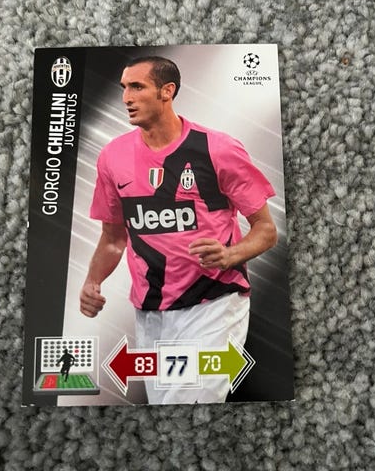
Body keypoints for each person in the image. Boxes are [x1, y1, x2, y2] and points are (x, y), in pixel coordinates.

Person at [80, 56, 277, 404]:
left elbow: (265, 229)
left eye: (137, 87)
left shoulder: (217, 149)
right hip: (150, 312)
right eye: (124, 88)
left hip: (212, 303)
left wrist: (229, 255)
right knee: (166, 412)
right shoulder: (112, 156)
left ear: (167, 91)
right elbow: (113, 239)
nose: (126, 97)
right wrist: (92, 283)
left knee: (189, 405)